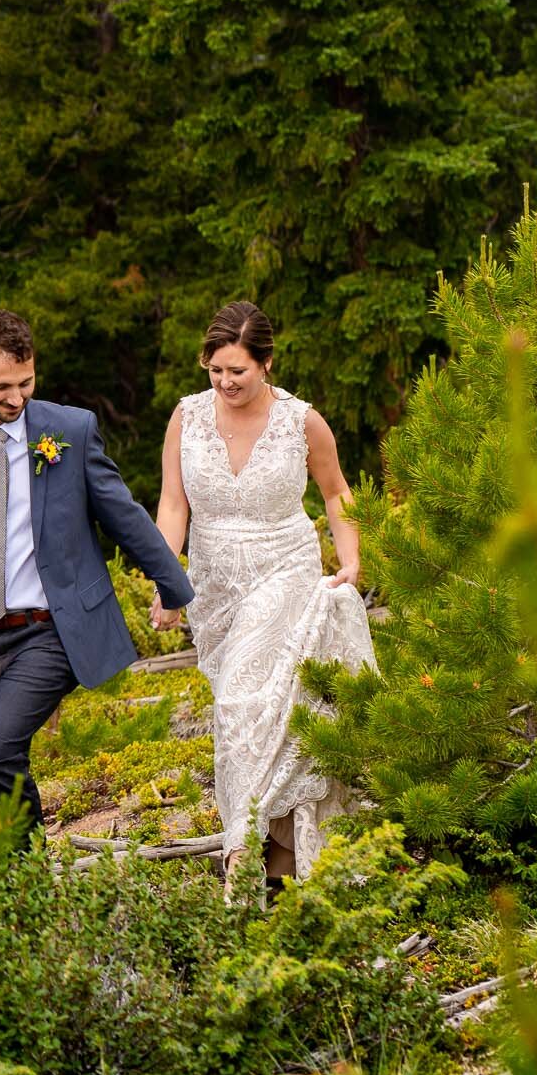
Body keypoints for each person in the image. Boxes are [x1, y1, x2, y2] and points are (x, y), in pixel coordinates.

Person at [0, 307, 194, 847]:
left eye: (26, 382)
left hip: (51, 629)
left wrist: (172, 588)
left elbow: (123, 514)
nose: (16, 397)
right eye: (2, 385)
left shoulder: (69, 429)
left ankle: (27, 884)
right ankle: (24, 892)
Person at [152, 300, 375, 884]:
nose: (225, 382)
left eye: (238, 372)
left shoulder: (301, 421)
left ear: (267, 364)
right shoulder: (187, 417)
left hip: (283, 571)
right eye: (216, 370)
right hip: (214, 587)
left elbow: (336, 492)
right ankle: (281, 849)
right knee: (257, 717)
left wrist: (350, 560)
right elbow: (174, 504)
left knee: (239, 705)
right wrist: (167, 581)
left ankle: (240, 850)